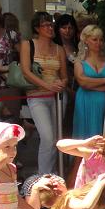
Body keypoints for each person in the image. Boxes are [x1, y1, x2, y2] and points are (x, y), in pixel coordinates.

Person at [18, 11, 65, 175]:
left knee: (55, 139)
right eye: (46, 25)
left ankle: (51, 173)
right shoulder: (28, 45)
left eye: (51, 24)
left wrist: (60, 84)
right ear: (37, 28)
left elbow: (65, 76)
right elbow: (26, 71)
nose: (50, 27)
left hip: (57, 97)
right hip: (36, 95)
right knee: (47, 136)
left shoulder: (59, 49)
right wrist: (46, 85)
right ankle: (43, 176)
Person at [72, 24, 105, 140]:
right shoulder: (79, 61)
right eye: (94, 39)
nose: (98, 43)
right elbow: (83, 82)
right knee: (85, 138)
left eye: (100, 39)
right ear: (86, 41)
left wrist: (91, 84)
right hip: (86, 103)